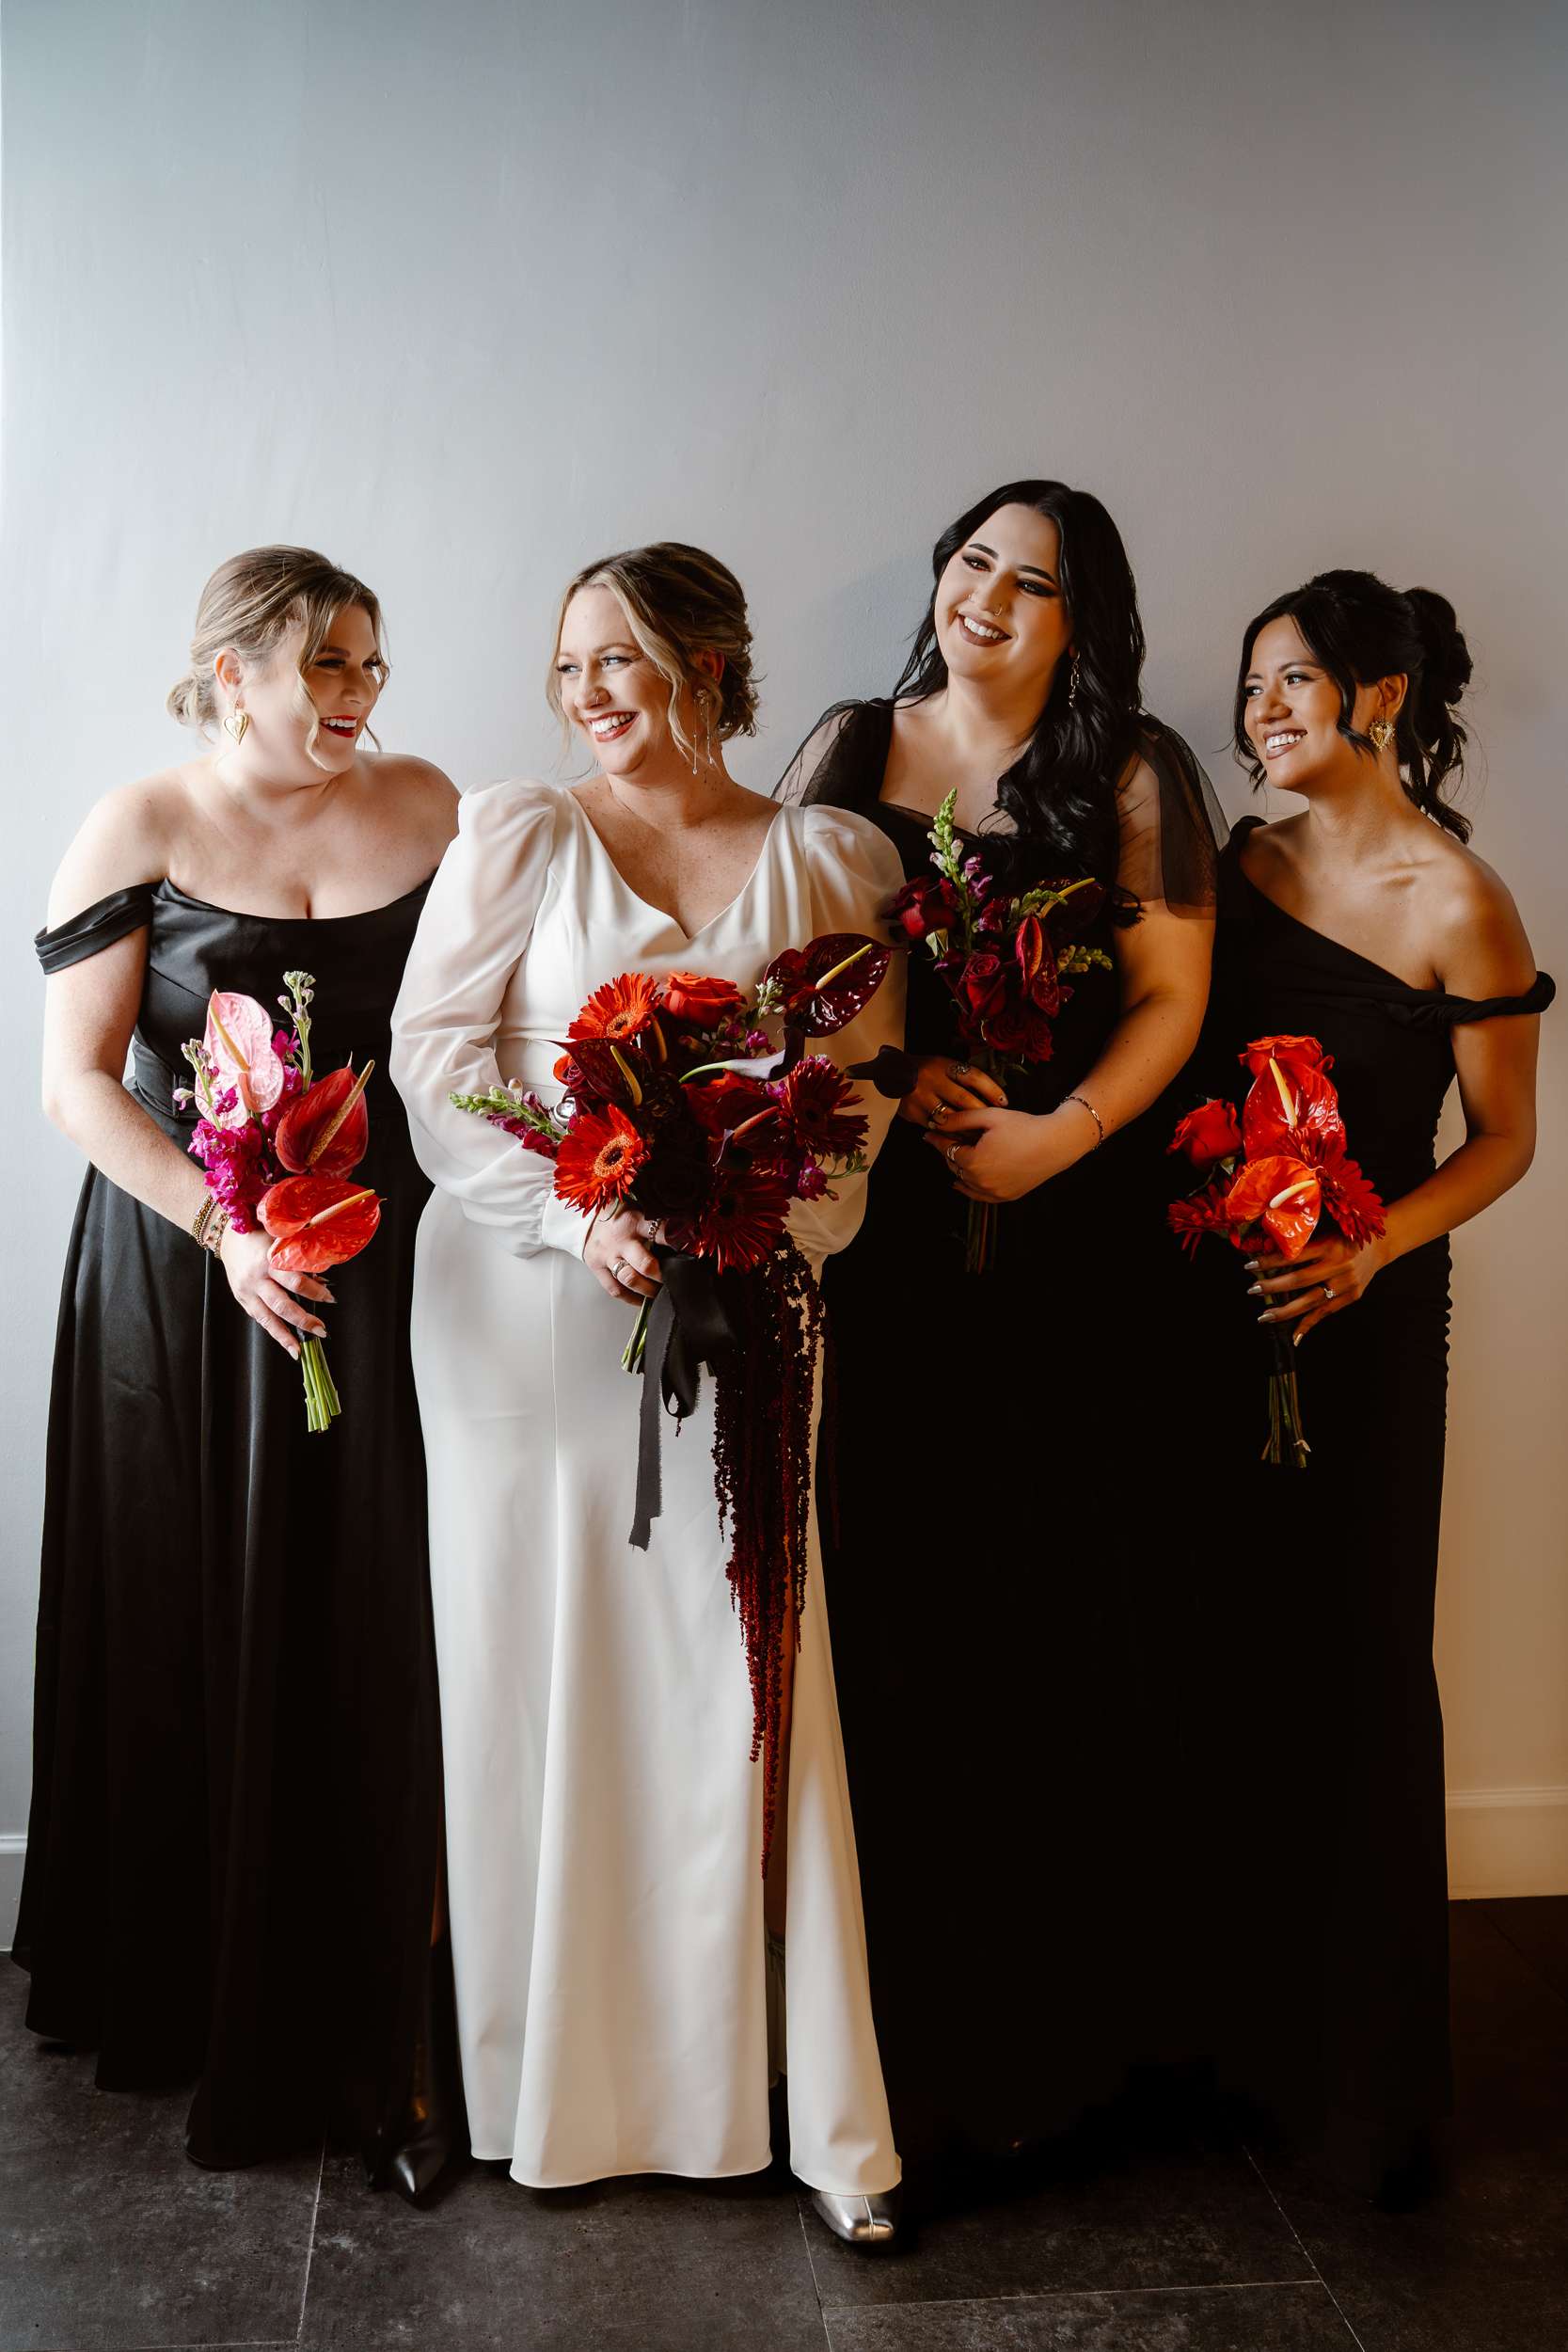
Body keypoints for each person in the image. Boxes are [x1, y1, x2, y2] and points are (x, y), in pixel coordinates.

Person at [389, 542, 907, 2244]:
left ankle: (790, 2106)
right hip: (519, 1311)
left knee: (742, 1666)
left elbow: (856, 1102)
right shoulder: (519, 835)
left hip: (743, 1307)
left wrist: (753, 1227)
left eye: (617, 657)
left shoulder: (832, 858)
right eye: (568, 666)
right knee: (534, 1668)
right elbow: (435, 1064)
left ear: (708, 665)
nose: (586, 693)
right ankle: (544, 2087)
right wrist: (578, 1210)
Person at [782, 479, 1220, 2187]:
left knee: (1045, 1602)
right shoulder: (847, 744)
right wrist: (892, 1080)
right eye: (974, 563)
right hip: (877, 1235)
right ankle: (868, 2039)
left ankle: (1041, 2046)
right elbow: (779, 967)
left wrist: (1058, 1138)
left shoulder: (1132, 774)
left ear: (1079, 619)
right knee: (886, 1591)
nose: (989, 598)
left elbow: (1172, 996)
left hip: (1064, 1235)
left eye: (1032, 583)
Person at [18, 547, 462, 2199]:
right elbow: (77, 1082)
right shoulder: (136, 824)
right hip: (192, 1275)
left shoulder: (429, 804)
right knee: (193, 1602)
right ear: (234, 670)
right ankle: (199, 1985)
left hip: (390, 1264)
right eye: (328, 664)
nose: (360, 695)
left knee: (376, 1608)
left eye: (372, 664)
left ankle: (387, 2013)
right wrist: (230, 1232)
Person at [1176, 569, 1551, 2201]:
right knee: (1220, 1650)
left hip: (1369, 1323)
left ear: (1381, 697)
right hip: (1199, 1310)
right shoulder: (1232, 866)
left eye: (1296, 680)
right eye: (1255, 681)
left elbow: (1509, 1139)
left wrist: (1371, 1247)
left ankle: (1362, 2092)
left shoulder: (1458, 898)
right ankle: (1216, 2048)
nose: (1263, 709)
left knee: (1361, 1658)